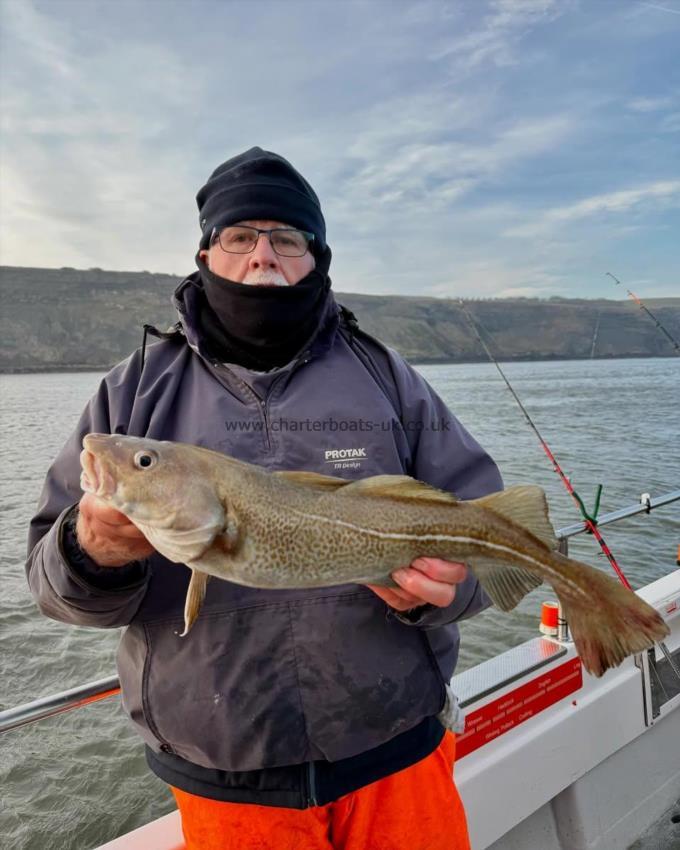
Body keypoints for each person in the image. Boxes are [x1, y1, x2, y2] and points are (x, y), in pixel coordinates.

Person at [26, 147, 503, 850]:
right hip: (228, 783)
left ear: (317, 257)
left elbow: (487, 538)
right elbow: (51, 585)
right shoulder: (131, 392)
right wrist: (89, 551)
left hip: (397, 753)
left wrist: (447, 592)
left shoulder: (386, 376)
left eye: (287, 238)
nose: (263, 256)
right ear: (206, 253)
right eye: (240, 237)